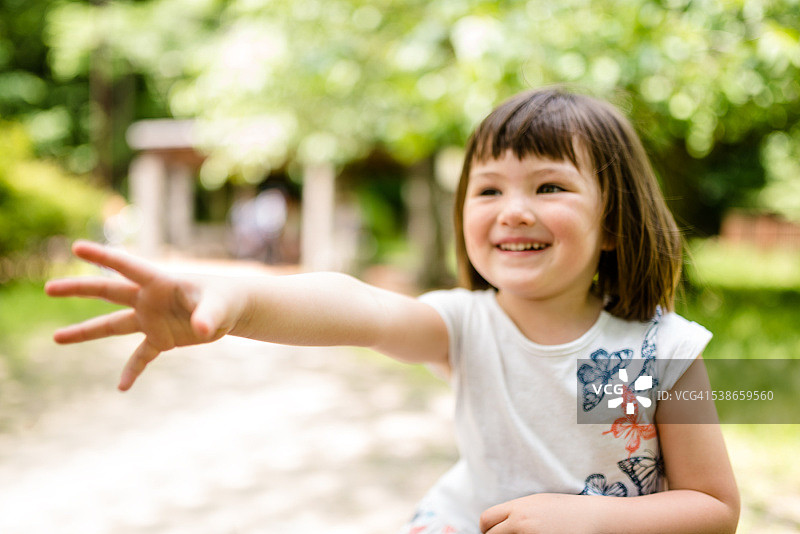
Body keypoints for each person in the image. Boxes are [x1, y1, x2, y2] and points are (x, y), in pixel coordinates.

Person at [46, 87, 739, 533]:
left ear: (615, 222)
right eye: (488, 190)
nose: (513, 211)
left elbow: (714, 507)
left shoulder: (656, 353)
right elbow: (357, 307)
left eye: (550, 185)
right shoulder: (465, 327)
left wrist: (585, 520)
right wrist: (235, 300)